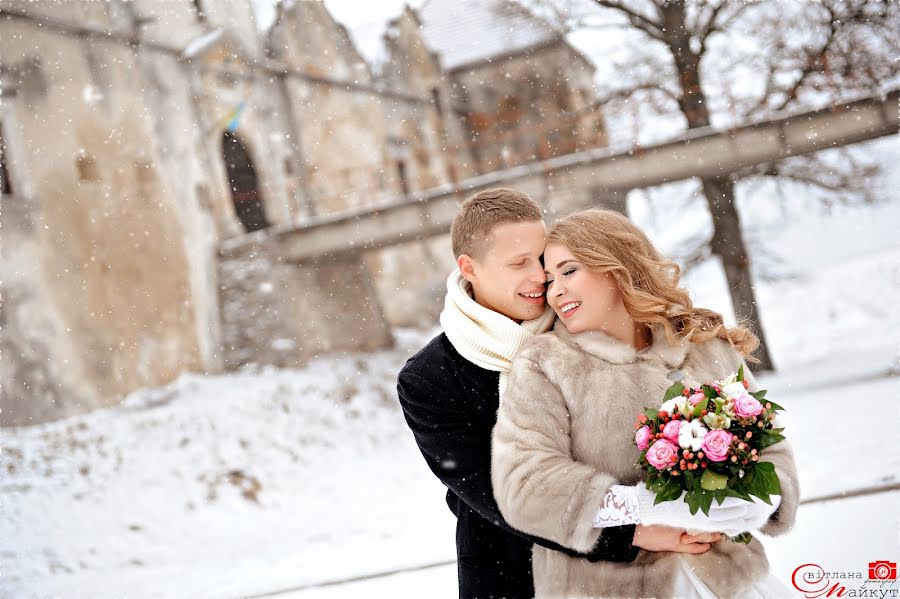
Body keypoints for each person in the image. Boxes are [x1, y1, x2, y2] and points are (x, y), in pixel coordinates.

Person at [397, 191, 733, 599]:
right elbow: (503, 495)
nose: (540, 277)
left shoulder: (578, 319)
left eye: (541, 259)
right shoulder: (431, 378)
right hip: (513, 574)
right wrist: (634, 531)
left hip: (641, 573)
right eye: (518, 263)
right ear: (470, 268)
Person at [491, 208, 800, 598]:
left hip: (729, 580)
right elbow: (525, 484)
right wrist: (648, 508)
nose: (555, 291)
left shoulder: (706, 346)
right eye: (550, 280)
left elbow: (771, 448)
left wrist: (760, 499)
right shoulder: (544, 364)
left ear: (617, 266)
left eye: (569, 272)